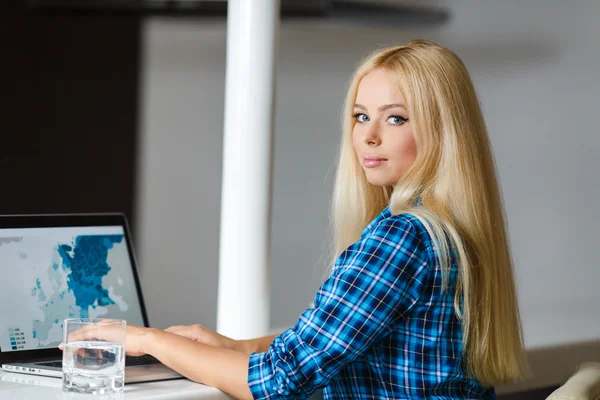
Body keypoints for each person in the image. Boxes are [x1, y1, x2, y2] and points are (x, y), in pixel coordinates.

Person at [64, 39, 530, 399]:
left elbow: (277, 382)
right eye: (360, 115)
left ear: (442, 129)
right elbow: (330, 342)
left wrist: (145, 340)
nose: (366, 137)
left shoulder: (402, 237)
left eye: (395, 119)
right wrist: (228, 346)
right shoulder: (452, 234)